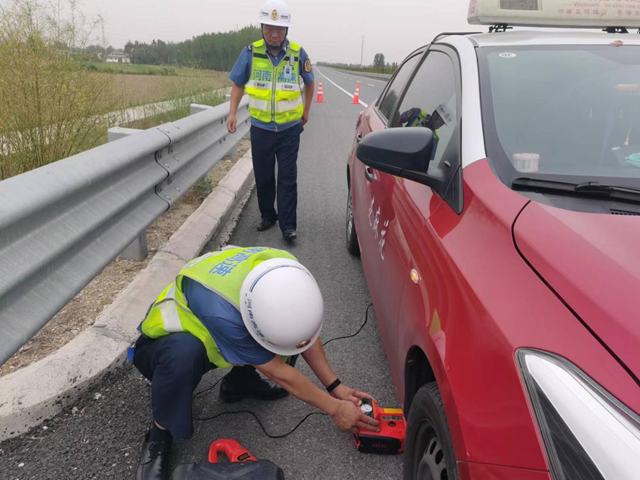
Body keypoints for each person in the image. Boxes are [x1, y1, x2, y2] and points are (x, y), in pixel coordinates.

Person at [133, 246, 379, 480]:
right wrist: (335, 408)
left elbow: (303, 334)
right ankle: (159, 435)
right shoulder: (222, 312)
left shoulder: (285, 271)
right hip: (163, 348)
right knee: (185, 352)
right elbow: (279, 373)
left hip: (223, 327)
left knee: (279, 337)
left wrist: (335, 386)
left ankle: (240, 383)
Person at [227, 0, 315, 241]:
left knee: (287, 177)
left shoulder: (298, 53)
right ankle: (268, 216)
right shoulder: (250, 52)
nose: (274, 34)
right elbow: (237, 84)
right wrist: (232, 112)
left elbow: (309, 82)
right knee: (264, 177)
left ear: (287, 30)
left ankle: (288, 225)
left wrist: (306, 111)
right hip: (261, 129)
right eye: (269, 28)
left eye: (279, 29)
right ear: (262, 28)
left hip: (289, 130)